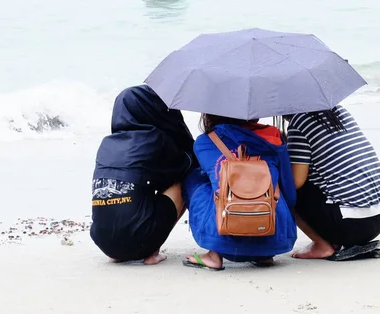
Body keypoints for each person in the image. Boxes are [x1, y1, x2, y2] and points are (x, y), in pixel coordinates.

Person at [90, 85, 197, 265]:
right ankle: (152, 252)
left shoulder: (107, 144)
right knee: (184, 180)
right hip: (139, 240)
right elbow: (187, 164)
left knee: (138, 187)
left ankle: (118, 253)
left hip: (102, 241)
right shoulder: (153, 139)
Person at [182, 114, 297, 270]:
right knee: (275, 187)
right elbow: (289, 192)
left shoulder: (205, 142)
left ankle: (214, 255)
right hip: (275, 238)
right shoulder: (274, 138)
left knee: (195, 178)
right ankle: (263, 256)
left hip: (225, 240)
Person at [284, 105, 380, 260]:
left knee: (286, 191)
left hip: (352, 225)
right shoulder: (337, 111)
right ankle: (335, 237)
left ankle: (321, 245)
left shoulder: (299, 123)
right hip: (379, 217)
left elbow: (296, 182)